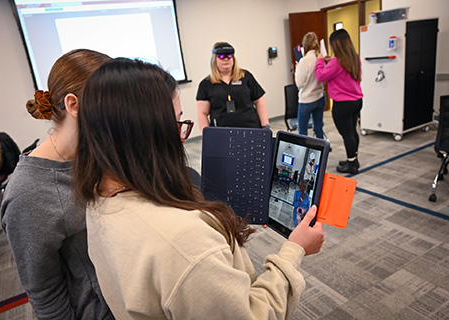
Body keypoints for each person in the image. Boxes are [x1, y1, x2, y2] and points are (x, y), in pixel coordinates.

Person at [75, 58, 325, 319]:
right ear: (150, 134)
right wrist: (294, 250)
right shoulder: (186, 245)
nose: (181, 138)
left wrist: (217, 219)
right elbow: (255, 314)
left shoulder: (98, 197)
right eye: (177, 124)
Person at [0, 49, 114, 320]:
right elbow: (46, 297)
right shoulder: (28, 194)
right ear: (73, 105)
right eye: (111, 103)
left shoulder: (98, 153)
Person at [315, 29, 363, 174]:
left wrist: (319, 60)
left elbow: (320, 76)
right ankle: (353, 158)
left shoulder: (336, 62)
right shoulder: (355, 57)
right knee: (352, 131)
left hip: (342, 104)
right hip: (357, 101)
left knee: (347, 133)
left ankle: (351, 164)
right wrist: (328, 62)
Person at [196, 42, 270, 132]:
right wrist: (206, 134)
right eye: (222, 56)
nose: (226, 59)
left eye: (229, 56)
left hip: (251, 128)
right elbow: (202, 113)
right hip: (222, 132)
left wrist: (265, 126)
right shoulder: (206, 84)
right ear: (214, 59)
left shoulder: (245, 76)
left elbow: (259, 101)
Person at [294, 32, 326, 138]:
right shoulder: (321, 58)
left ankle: (305, 154)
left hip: (306, 101)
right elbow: (323, 78)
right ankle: (321, 151)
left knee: (302, 131)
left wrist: (297, 69)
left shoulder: (304, 60)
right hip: (320, 97)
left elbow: (299, 83)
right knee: (318, 128)